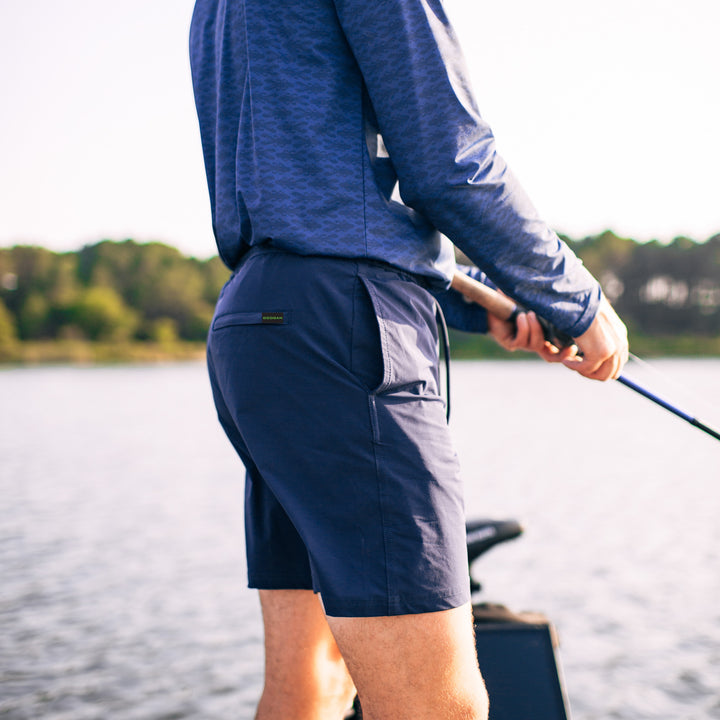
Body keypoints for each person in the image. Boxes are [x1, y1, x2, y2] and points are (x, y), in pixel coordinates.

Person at [189, 0, 628, 718]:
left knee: (312, 686)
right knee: (437, 708)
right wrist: (576, 299)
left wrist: (471, 297)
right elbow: (448, 160)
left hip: (264, 326)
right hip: (342, 334)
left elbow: (309, 187)